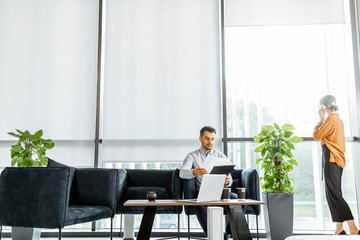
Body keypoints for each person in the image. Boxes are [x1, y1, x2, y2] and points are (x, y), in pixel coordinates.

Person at [313, 95, 360, 235]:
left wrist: (320, 120)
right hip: (337, 160)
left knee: (334, 194)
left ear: (323, 107)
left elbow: (316, 135)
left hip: (332, 159)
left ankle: (353, 227)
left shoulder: (330, 120)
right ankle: (339, 227)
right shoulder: (338, 119)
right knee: (334, 193)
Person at [180, 126, 235, 240]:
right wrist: (194, 171)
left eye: (213, 139)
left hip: (219, 192)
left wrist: (227, 181)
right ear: (200, 138)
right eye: (207, 138)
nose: (210, 142)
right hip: (203, 193)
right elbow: (182, 173)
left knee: (237, 199)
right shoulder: (192, 156)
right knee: (200, 204)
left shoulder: (220, 156)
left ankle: (228, 233)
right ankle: (213, 236)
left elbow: (230, 178)